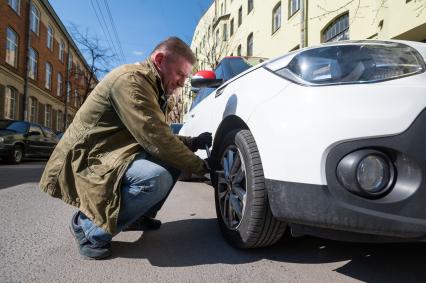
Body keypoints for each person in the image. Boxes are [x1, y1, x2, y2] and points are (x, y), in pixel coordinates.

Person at [39, 37, 212, 260]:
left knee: (173, 159)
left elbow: (159, 132)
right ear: (159, 60)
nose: (182, 82)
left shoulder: (153, 88)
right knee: (154, 178)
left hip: (113, 151)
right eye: (180, 74)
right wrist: (201, 167)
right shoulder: (132, 82)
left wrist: (192, 142)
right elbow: (156, 137)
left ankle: (136, 216)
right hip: (88, 156)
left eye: (185, 77)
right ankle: (87, 227)